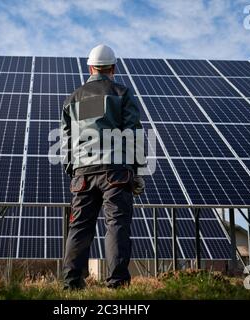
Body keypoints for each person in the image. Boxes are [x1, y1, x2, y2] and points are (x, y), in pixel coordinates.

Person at [60, 44, 146, 289]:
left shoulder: (72, 99)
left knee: (79, 227)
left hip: (83, 174)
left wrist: (73, 171)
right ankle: (117, 282)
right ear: (113, 69)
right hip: (115, 172)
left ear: (90, 67)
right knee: (116, 225)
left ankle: (71, 283)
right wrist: (137, 172)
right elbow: (133, 134)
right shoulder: (121, 93)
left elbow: (66, 141)